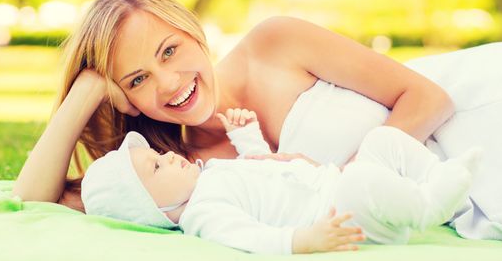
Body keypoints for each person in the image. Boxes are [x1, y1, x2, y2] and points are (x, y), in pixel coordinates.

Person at [13, 0, 502, 240]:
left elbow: (430, 98)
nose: (169, 83)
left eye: (169, 51)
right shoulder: (176, 176)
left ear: (190, 28)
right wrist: (87, 88)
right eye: (137, 79)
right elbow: (34, 200)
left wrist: (349, 176)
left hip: (476, 113)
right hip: (461, 194)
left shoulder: (274, 44)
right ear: (123, 98)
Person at [81, 109, 481, 254]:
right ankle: (428, 206)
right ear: (154, 209)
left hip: (333, 182)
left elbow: (261, 167)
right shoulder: (204, 213)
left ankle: (434, 177)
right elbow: (252, 237)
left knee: (380, 140)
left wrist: (247, 135)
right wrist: (304, 242)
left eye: (158, 154)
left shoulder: (210, 175)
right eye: (156, 168)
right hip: (339, 217)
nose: (168, 156)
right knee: (362, 181)